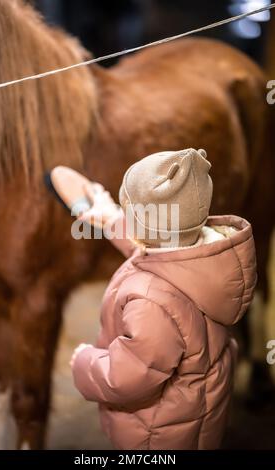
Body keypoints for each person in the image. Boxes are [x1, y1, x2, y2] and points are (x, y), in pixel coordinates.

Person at [68, 148, 256, 450]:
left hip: (156, 435)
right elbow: (152, 250)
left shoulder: (152, 304)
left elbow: (127, 375)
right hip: (194, 415)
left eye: (128, 211)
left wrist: (84, 362)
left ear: (143, 226)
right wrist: (111, 218)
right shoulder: (202, 254)